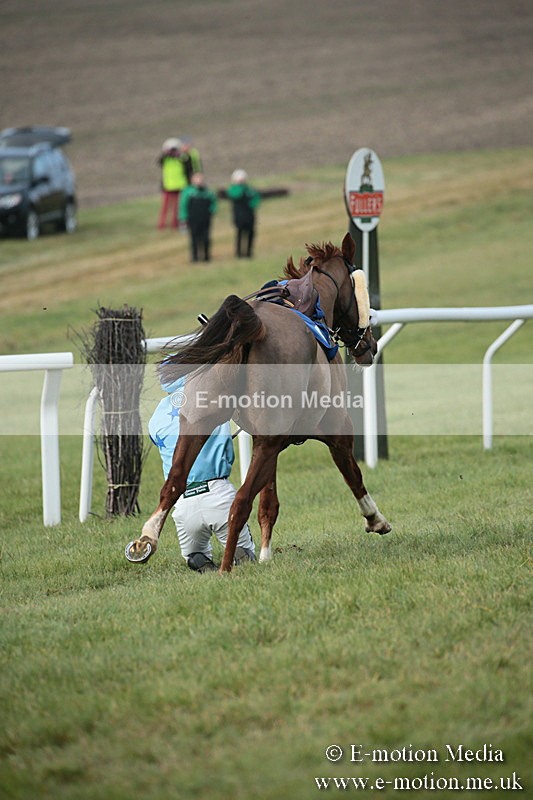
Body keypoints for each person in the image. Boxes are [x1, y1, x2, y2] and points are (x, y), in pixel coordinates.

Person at [148, 375, 256, 572]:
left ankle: (201, 563)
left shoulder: (157, 415)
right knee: (244, 553)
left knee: (194, 556)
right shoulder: (214, 396)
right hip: (219, 495)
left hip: (183, 504)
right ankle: (240, 557)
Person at [179, 172, 218, 262]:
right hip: (193, 219)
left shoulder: (207, 192)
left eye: (200, 178)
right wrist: (183, 218)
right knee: (194, 238)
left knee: (206, 238)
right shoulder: (188, 192)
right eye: (197, 178)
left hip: (205, 219)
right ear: (192, 180)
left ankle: (206, 257)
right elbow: (183, 206)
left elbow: (213, 203)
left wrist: (212, 211)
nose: (199, 181)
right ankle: (195, 257)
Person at [226, 169, 261, 258]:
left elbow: (256, 199)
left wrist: (252, 204)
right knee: (239, 234)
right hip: (239, 216)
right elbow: (236, 195)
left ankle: (249, 253)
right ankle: (239, 253)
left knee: (250, 234)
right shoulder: (233, 189)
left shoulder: (250, 189)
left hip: (249, 216)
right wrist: (240, 187)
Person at [157, 138, 189, 230]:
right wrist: (166, 152)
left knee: (178, 207)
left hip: (180, 185)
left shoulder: (182, 158)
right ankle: (162, 225)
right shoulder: (165, 159)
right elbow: (159, 161)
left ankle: (175, 224)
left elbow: (187, 162)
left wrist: (179, 154)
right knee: (165, 208)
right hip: (168, 186)